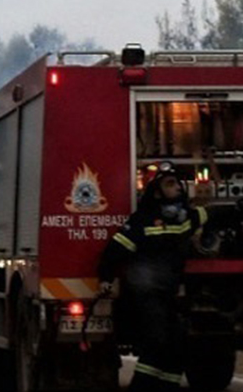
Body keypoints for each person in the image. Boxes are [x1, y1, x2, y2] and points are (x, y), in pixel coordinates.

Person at [97, 162, 209, 392]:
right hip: (146, 294)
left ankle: (167, 386)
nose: (177, 187)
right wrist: (105, 278)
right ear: (156, 191)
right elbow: (113, 252)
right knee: (157, 341)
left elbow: (208, 214)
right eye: (170, 184)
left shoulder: (183, 219)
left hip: (168, 294)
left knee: (177, 342)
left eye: (178, 183)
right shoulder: (141, 221)